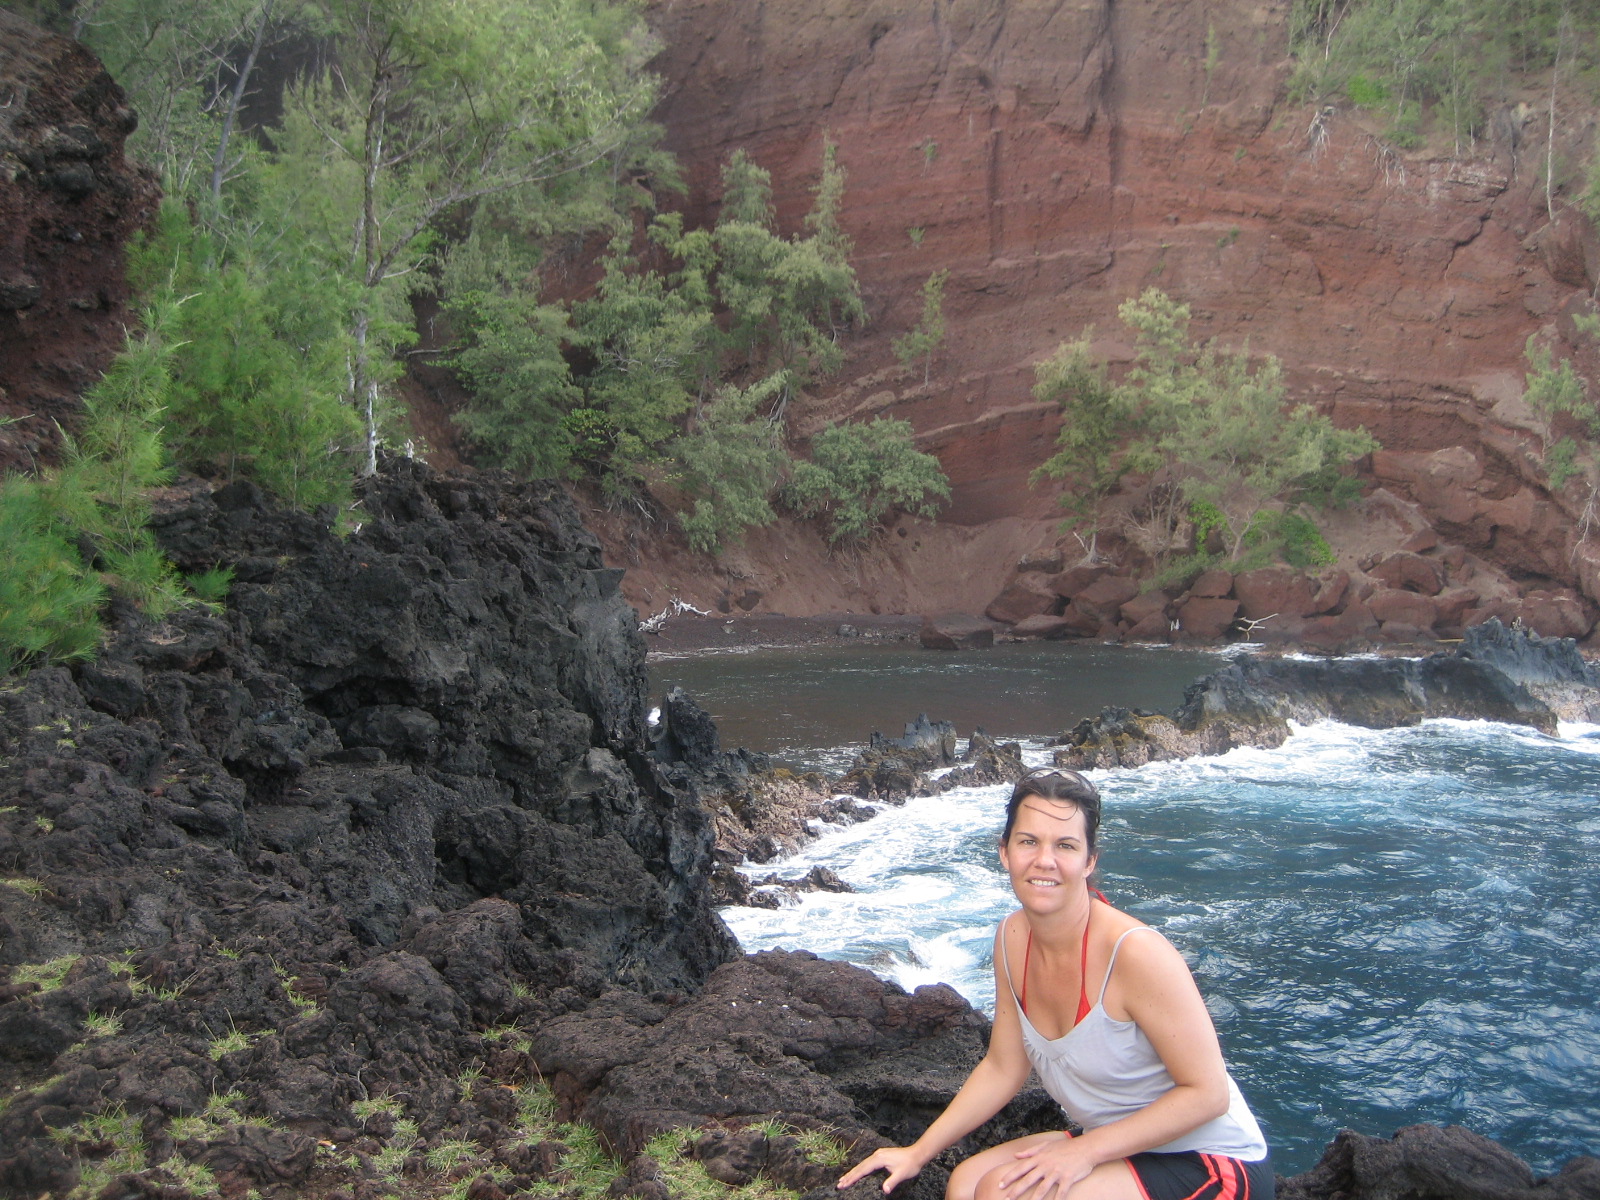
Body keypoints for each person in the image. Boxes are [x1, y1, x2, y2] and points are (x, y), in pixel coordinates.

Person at [837, 768, 1271, 1200]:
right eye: (1029, 841)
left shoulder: (1136, 954)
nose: (1045, 860)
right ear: (1005, 852)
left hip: (1210, 1162)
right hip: (1115, 1142)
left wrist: (1084, 1152)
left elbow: (1208, 1094)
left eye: (1065, 845)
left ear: (1089, 861)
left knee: (1003, 1195)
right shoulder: (1011, 938)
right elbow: (1004, 1066)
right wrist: (918, 1152)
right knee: (967, 1184)